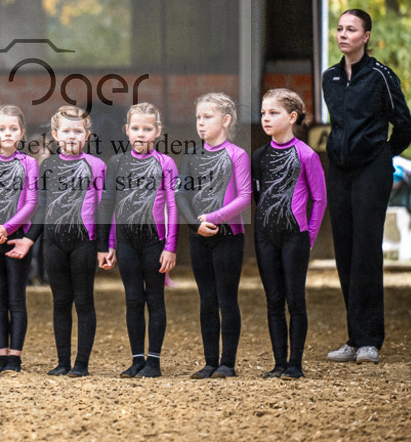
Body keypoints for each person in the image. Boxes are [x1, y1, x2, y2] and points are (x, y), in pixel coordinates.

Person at [323, 8, 411, 365]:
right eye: (340, 29)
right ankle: (353, 336)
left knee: (365, 252)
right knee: (344, 251)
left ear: (366, 36)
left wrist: (383, 154)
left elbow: (403, 124)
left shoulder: (381, 76)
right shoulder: (330, 77)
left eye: (351, 29)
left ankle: (370, 340)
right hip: (339, 171)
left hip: (371, 170)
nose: (343, 34)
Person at [97, 102, 178, 378]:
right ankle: (136, 360)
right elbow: (113, 205)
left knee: (155, 298)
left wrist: (170, 246)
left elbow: (173, 207)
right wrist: (109, 244)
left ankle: (153, 361)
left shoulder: (165, 163)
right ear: (126, 131)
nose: (141, 133)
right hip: (126, 241)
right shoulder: (117, 163)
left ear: (157, 131)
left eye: (147, 128)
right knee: (132, 299)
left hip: (155, 241)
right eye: (135, 128)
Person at [252, 89, 327, 380]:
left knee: (295, 299)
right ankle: (279, 363)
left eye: (274, 113)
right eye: (263, 113)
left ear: (292, 117)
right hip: (265, 236)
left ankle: (295, 364)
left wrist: (308, 236)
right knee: (273, 299)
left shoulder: (306, 155)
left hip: (295, 235)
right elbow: (260, 195)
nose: (266, 118)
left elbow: (319, 199)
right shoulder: (259, 156)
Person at [176, 92, 252, 379]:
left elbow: (245, 196)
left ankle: (227, 363)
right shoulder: (191, 155)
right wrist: (195, 225)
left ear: (226, 120)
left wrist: (215, 218)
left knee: (226, 299)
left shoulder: (237, 155)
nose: (201, 123)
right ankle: (209, 362)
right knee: (206, 299)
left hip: (229, 236)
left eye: (207, 117)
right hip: (199, 236)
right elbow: (180, 193)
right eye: (198, 117)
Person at [37, 105, 108, 377]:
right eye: (66, 130)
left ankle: (81, 364)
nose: (71, 136)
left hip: (84, 243)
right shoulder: (49, 166)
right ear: (55, 134)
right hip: (53, 243)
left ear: (87, 135)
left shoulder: (96, 166)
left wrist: (104, 246)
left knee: (84, 301)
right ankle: (62, 361)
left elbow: (103, 209)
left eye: (77, 131)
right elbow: (42, 207)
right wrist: (32, 241)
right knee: (60, 301)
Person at [0, 105, 41, 373]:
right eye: (1, 129)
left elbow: (32, 202)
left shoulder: (29, 164)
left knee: (16, 297)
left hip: (17, 237)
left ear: (22, 133)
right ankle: (1, 355)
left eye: (13, 129)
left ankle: (15, 357)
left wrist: (8, 228)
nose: (7, 133)